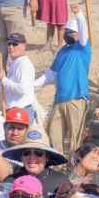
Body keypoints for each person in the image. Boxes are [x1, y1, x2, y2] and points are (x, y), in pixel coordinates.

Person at [38, 10, 91, 157]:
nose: (67, 34)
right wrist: (33, 85)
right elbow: (51, 74)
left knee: (75, 138)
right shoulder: (62, 52)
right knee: (54, 134)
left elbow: (84, 33)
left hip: (76, 99)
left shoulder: (82, 48)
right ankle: (58, 165)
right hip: (59, 100)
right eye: (66, 31)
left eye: (71, 31)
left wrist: (79, 14)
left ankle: (75, 165)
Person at [0, 139, 68, 198]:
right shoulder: (11, 181)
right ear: (21, 157)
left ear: (47, 157)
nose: (32, 157)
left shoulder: (61, 181)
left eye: (38, 153)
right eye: (26, 153)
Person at [0, 34, 41, 123]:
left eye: (14, 44)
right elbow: (8, 87)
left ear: (24, 46)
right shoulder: (15, 63)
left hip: (21, 113)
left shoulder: (24, 64)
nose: (11, 47)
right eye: (9, 44)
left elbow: (22, 89)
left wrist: (4, 80)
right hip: (14, 111)